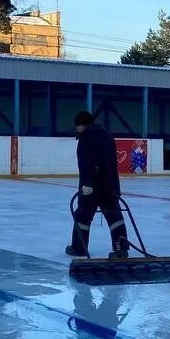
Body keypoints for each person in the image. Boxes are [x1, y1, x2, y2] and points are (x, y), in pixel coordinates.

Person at [66, 110, 130, 258]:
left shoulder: (87, 137)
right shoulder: (107, 136)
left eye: (77, 127)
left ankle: (79, 248)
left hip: (92, 187)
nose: (77, 130)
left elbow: (87, 162)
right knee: (115, 217)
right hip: (110, 186)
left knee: (82, 216)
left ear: (82, 125)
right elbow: (110, 164)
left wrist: (87, 183)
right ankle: (121, 249)